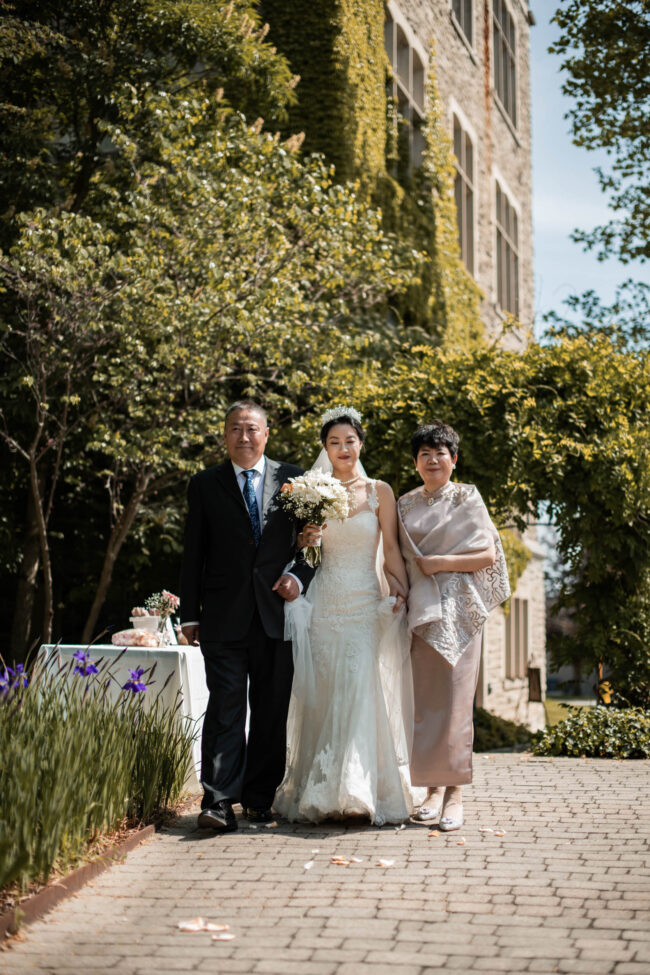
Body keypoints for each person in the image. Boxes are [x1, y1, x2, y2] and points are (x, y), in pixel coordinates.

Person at [273, 406, 418, 825]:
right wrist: (305, 539)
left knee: (359, 685)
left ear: (361, 444)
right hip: (325, 602)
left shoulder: (380, 491)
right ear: (325, 447)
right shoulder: (309, 490)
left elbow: (390, 547)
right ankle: (318, 787)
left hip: (362, 602)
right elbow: (304, 555)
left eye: (349, 441)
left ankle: (359, 789)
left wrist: (399, 589)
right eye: (334, 442)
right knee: (326, 690)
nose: (343, 448)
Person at [180, 400, 315, 832]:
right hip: (222, 616)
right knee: (225, 708)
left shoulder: (295, 480)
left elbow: (312, 545)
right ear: (225, 434)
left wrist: (298, 577)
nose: (244, 436)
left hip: (277, 614)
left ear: (267, 433)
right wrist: (188, 614)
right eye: (236, 428)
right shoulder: (205, 484)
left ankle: (259, 798)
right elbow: (193, 552)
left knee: (271, 710)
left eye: (252, 428)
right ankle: (218, 801)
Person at [397, 421, 510, 830]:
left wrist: (440, 563)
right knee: (425, 704)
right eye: (424, 454)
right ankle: (429, 791)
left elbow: (485, 555)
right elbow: (397, 558)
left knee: (459, 703)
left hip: (461, 610)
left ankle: (455, 794)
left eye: (440, 453)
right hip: (420, 610)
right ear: (415, 462)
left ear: (454, 459)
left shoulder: (468, 498)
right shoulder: (405, 504)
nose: (432, 460)